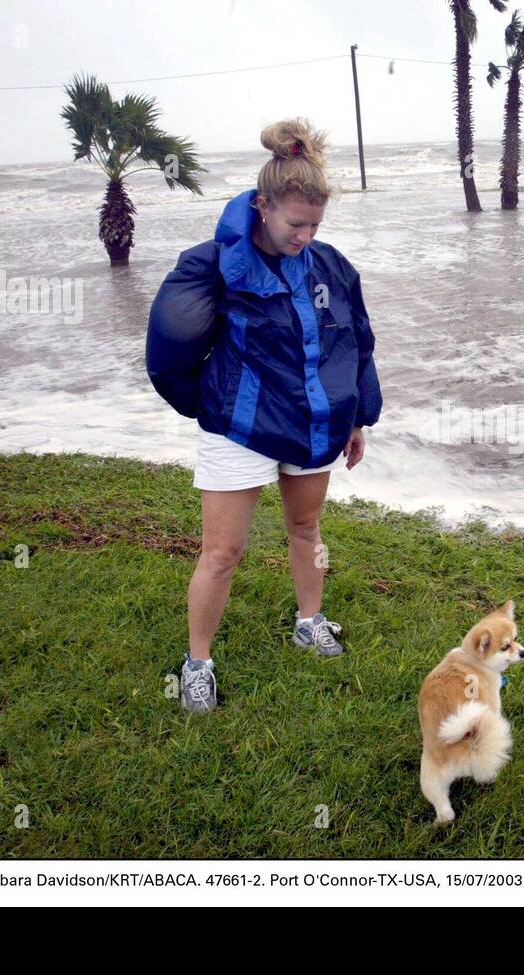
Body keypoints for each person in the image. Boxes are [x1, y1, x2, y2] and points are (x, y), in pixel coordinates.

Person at [145, 118, 382, 713]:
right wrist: (206, 404)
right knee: (222, 552)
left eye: (315, 224)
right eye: (294, 223)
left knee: (307, 530)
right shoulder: (213, 263)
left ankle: (310, 620)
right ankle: (198, 662)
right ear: (262, 206)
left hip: (312, 424)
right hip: (242, 428)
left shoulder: (332, 267)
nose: (304, 235)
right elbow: (169, 345)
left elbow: (355, 342)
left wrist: (358, 416)